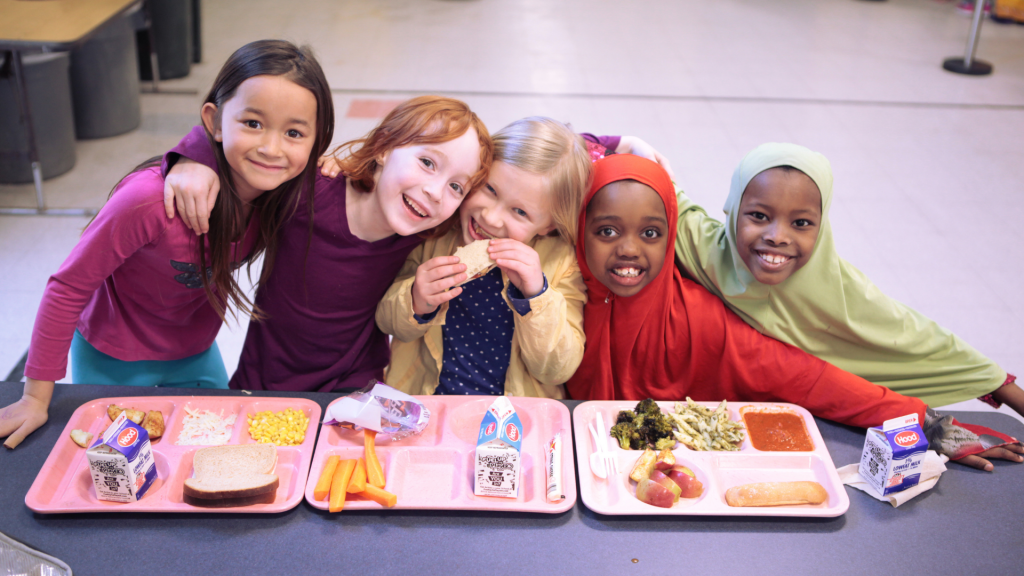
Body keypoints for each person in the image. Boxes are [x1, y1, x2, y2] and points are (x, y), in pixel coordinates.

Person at [568, 153, 1023, 470]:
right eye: (606, 230)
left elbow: (810, 379)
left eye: (651, 234)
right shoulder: (554, 295)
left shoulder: (702, 321)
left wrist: (934, 428)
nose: (628, 251)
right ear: (577, 229)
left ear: (671, 240)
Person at [1, 40, 334, 448]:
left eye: (294, 132)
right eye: (252, 123)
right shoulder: (150, 201)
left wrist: (343, 166)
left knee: (221, 451)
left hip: (193, 351)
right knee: (123, 474)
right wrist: (35, 398)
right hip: (112, 356)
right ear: (214, 120)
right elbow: (67, 287)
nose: (271, 147)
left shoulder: (282, 195)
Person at [158, 96, 492, 392]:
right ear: (384, 147)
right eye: (427, 163)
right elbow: (244, 151)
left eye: (456, 187)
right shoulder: (309, 191)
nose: (435, 191)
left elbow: (515, 205)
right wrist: (193, 158)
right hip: (262, 387)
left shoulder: (426, 233)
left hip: (353, 396)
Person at [670, 143, 1022, 416]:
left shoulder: (846, 294)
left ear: (822, 227)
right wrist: (625, 142)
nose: (778, 236)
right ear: (732, 209)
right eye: (759, 216)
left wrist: (1000, 385)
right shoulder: (702, 246)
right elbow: (664, 194)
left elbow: (920, 340)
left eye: (801, 223)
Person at [375, 118, 591, 398]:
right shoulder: (436, 232)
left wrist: (537, 294)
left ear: (549, 226)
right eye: (490, 189)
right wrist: (416, 298)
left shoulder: (561, 262)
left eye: (520, 212)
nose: (491, 217)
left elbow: (556, 369)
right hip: (429, 406)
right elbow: (387, 322)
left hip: (515, 421)